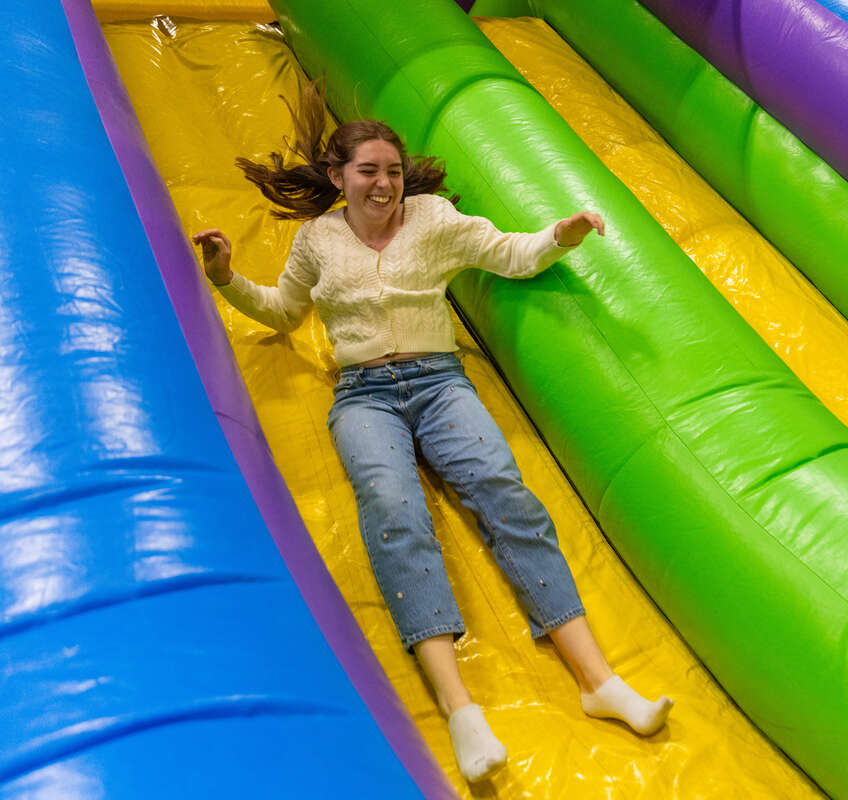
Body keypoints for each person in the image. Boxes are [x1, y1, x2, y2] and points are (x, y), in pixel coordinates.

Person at [192, 85, 672, 784]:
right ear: (339, 177)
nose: (384, 182)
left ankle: (598, 681)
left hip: (441, 383)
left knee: (505, 492)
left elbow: (508, 253)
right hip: (364, 395)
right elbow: (283, 311)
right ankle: (460, 709)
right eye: (368, 170)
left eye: (392, 169)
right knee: (393, 512)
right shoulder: (318, 238)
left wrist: (560, 235)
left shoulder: (434, 219)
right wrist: (226, 277)